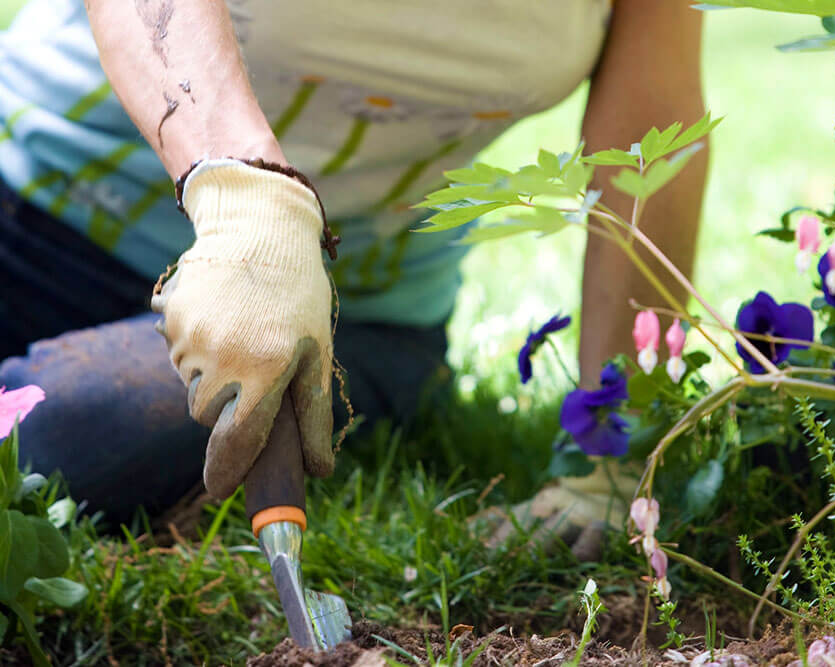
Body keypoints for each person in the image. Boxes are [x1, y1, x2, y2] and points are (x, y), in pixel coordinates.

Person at [0, 0, 707, 536]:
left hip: (347, 311)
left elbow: (651, 130)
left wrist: (617, 445)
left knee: (46, 444)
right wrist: (250, 203)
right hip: (38, 207)